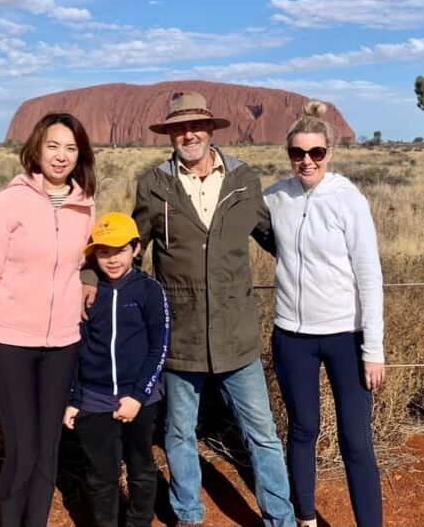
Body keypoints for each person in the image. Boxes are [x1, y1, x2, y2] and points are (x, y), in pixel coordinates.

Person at [131, 91, 295, 527]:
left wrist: (324, 263)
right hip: (180, 335)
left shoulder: (243, 179)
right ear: (170, 134)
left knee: (262, 435)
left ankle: (280, 517)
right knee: (179, 433)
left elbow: (273, 236)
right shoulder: (153, 185)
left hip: (235, 334)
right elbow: (133, 247)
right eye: (180, 128)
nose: (189, 134)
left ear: (210, 130)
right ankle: (188, 513)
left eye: (196, 126)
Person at [0, 112, 96, 527]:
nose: (62, 156)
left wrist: (89, 280)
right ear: (36, 147)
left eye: (71, 147)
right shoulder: (8, 202)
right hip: (10, 343)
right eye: (53, 146)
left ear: (80, 153)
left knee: (48, 449)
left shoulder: (85, 203)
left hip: (63, 343)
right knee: (24, 449)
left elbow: (85, 260)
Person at [263, 101, 384, 527]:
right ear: (289, 154)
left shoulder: (349, 200)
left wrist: (374, 348)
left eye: (316, 153)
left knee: (356, 441)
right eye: (298, 153)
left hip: (344, 336)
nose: (307, 161)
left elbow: (370, 275)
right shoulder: (276, 196)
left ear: (329, 153)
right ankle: (306, 518)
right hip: (291, 334)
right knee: (301, 431)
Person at [64, 211, 170, 527]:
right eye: (103, 251)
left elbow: (159, 347)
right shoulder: (86, 293)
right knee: (100, 475)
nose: (112, 259)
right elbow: (75, 349)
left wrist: (138, 396)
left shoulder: (149, 290)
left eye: (120, 250)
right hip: (93, 398)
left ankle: (139, 521)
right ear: (94, 254)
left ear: (136, 249)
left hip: (140, 398)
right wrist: (74, 397)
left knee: (141, 466)